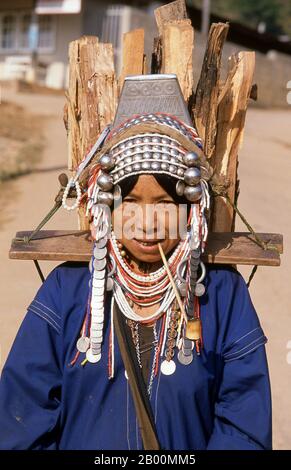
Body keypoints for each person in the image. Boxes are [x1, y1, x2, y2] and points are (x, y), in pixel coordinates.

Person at [0, 75, 272, 450]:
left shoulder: (224, 296)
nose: (147, 223)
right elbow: (20, 421)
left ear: (191, 210)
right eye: (129, 202)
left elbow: (244, 427)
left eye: (164, 204)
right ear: (107, 207)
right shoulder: (66, 291)